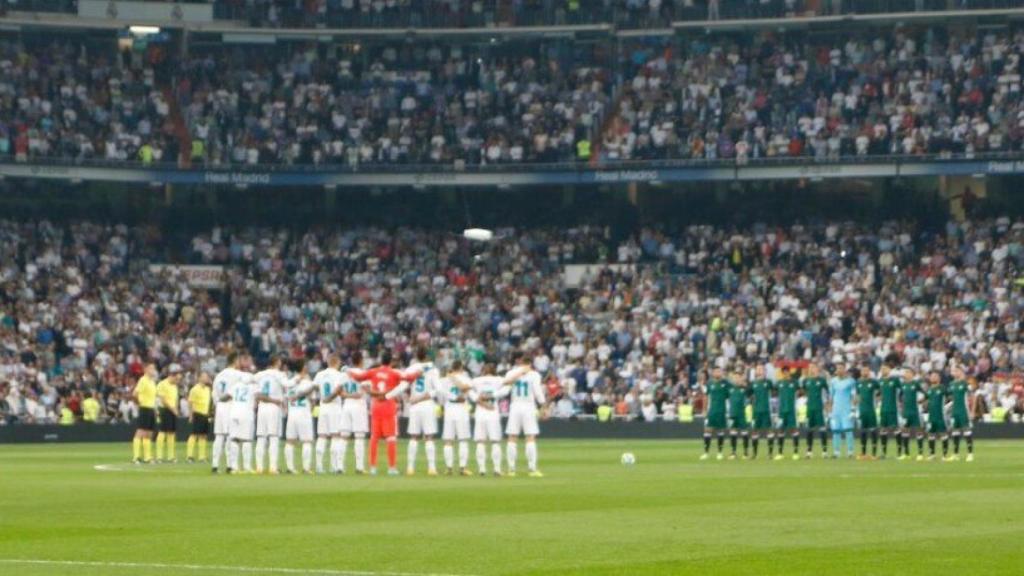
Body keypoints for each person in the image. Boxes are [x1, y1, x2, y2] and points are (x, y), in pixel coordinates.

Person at [348, 350, 421, 476]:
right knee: (391, 438)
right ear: (391, 361)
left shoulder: (373, 371)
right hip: (389, 406)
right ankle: (392, 468)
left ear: (381, 360)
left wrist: (347, 370)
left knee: (374, 438)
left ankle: (373, 468)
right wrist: (418, 373)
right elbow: (409, 378)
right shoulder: (394, 373)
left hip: (376, 406)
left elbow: (358, 377)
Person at [461, 363, 520, 476]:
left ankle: (482, 469)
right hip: (493, 412)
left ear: (483, 370)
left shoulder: (476, 380)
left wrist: (478, 399)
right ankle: (497, 469)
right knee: (495, 442)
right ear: (494, 370)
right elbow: (507, 389)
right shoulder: (498, 379)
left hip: (480, 412)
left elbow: (466, 389)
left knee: (480, 441)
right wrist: (493, 395)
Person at [505, 353, 546, 477]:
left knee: (512, 437)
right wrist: (543, 406)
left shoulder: (511, 372)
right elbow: (537, 391)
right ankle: (532, 469)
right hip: (528, 406)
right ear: (531, 364)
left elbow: (505, 384)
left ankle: (511, 469)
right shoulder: (534, 375)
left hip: (515, 406)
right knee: (530, 437)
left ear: (520, 362)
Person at [405, 347, 441, 476]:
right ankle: (431, 468)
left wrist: (410, 396)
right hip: (427, 405)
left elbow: (404, 384)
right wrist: (424, 396)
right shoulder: (433, 370)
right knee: (429, 437)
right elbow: (437, 389)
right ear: (427, 356)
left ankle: (410, 468)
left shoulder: (411, 369)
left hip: (414, 405)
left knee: (413, 437)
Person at [211, 352, 249, 473]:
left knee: (219, 436)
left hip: (220, 406)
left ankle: (215, 464)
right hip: (230, 406)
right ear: (235, 361)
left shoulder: (219, 375)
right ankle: (230, 464)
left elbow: (214, 393)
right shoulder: (238, 374)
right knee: (230, 436)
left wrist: (217, 404)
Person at [313, 355, 348, 474]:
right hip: (334, 407)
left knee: (322, 436)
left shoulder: (319, 374)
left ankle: (319, 466)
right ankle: (334, 466)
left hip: (322, 407)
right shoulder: (339, 375)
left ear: (328, 362)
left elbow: (316, 388)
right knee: (335, 436)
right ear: (337, 362)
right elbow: (339, 391)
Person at [254, 356, 288, 474]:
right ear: (277, 362)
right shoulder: (280, 375)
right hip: (274, 407)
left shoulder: (259, 375)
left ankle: (259, 467)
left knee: (261, 437)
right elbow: (287, 385)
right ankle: (273, 467)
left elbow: (256, 392)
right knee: (273, 437)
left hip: (262, 407)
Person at [224, 353, 257, 473]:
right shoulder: (253, 386)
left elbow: (225, 397)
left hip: (234, 413)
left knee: (234, 439)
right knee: (247, 440)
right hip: (246, 414)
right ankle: (247, 467)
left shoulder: (236, 385)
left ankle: (234, 467)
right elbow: (258, 396)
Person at [337, 351, 369, 474]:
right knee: (359, 436)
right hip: (358, 406)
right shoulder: (363, 374)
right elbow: (364, 391)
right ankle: (359, 467)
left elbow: (339, 391)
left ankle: (339, 466)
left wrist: (346, 395)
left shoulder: (345, 373)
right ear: (361, 360)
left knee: (344, 436)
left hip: (346, 405)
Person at [440, 360, 473, 476]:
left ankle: (448, 468)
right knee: (463, 439)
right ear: (461, 367)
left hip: (449, 408)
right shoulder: (465, 378)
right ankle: (463, 468)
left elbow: (441, 394)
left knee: (448, 440)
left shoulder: (444, 379)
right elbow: (468, 389)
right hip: (461, 409)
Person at [284, 361, 316, 474]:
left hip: (292, 414)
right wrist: (311, 410)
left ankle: (290, 468)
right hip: (304, 413)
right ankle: (306, 468)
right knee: (307, 441)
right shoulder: (308, 383)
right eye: (305, 365)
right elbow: (312, 400)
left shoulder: (290, 382)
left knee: (290, 441)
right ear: (303, 368)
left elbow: (287, 398)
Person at [700, 366, 730, 461]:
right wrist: (704, 410)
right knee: (707, 430)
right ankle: (706, 453)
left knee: (720, 431)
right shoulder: (709, 384)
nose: (718, 373)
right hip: (711, 411)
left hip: (722, 411)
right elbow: (706, 397)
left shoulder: (726, 384)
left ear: (721, 373)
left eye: (719, 371)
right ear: (713, 373)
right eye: (716, 371)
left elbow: (730, 396)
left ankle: (720, 453)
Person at [131, 363, 158, 464]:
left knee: (149, 433)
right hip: (144, 408)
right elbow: (135, 394)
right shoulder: (143, 380)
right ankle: (136, 456)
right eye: (151, 368)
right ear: (145, 369)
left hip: (151, 408)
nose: (153, 370)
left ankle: (147, 457)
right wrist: (139, 404)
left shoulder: (152, 382)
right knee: (141, 431)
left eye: (154, 368)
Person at [801, 364, 829, 458]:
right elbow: (804, 391)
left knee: (822, 429)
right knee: (809, 430)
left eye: (813, 368)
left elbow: (827, 392)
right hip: (810, 408)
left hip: (819, 408)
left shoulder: (822, 381)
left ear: (817, 369)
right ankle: (809, 452)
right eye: (810, 368)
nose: (811, 369)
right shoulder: (806, 381)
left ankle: (824, 451)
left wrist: (827, 405)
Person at [828, 363, 856, 459]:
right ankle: (836, 452)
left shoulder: (851, 381)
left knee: (848, 430)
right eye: (837, 368)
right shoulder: (833, 381)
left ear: (845, 370)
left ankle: (850, 452)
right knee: (836, 431)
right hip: (836, 410)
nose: (838, 370)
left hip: (846, 410)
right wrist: (829, 412)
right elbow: (831, 397)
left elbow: (853, 396)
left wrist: (853, 409)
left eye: (841, 368)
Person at [155, 365, 182, 463]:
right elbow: (163, 399)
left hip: (173, 410)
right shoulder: (162, 384)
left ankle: (170, 456)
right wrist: (173, 409)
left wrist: (176, 408)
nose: (178, 381)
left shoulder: (174, 386)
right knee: (162, 432)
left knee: (171, 433)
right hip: (165, 410)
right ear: (172, 376)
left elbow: (175, 399)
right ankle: (159, 456)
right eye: (177, 378)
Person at [948, 367, 975, 462]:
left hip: (964, 410)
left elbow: (972, 397)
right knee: (955, 432)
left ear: (962, 372)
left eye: (957, 370)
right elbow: (954, 399)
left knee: (966, 431)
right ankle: (955, 454)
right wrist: (948, 407)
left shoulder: (965, 383)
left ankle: (970, 454)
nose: (955, 372)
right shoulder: (952, 384)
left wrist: (972, 411)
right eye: (954, 371)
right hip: (955, 411)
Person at [899, 367, 925, 462]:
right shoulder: (903, 385)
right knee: (905, 431)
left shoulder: (916, 384)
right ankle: (906, 454)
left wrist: (921, 401)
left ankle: (920, 454)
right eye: (905, 372)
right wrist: (902, 404)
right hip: (906, 411)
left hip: (915, 411)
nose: (906, 374)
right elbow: (900, 396)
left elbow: (924, 394)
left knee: (918, 430)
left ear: (912, 374)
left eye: (908, 372)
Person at [774, 368, 801, 460]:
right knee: (781, 431)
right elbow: (776, 393)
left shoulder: (794, 383)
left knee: (794, 430)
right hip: (782, 411)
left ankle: (796, 452)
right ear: (782, 373)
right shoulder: (779, 383)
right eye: (784, 372)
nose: (785, 374)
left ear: (789, 373)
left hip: (791, 410)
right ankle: (780, 453)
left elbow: (799, 392)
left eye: (787, 372)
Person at [854, 366, 880, 460]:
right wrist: (855, 402)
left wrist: (878, 398)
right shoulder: (858, 383)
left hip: (871, 410)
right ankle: (863, 453)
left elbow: (880, 391)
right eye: (863, 370)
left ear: (869, 372)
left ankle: (873, 454)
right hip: (862, 410)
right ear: (861, 372)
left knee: (873, 431)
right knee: (863, 432)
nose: (864, 372)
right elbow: (857, 395)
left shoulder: (873, 382)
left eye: (866, 370)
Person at [749, 365, 774, 460]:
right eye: (758, 369)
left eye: (761, 369)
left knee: (769, 430)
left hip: (766, 410)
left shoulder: (768, 382)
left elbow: (774, 391)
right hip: (756, 410)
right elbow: (749, 394)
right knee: (754, 431)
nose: (759, 371)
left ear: (764, 371)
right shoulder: (752, 383)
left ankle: (770, 453)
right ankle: (755, 454)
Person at [186, 373, 212, 463]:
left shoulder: (208, 389)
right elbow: (190, 402)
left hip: (205, 414)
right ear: (199, 378)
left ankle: (202, 456)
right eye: (204, 377)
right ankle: (190, 456)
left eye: (207, 377)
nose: (206, 378)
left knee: (203, 436)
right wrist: (191, 415)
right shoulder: (195, 389)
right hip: (197, 413)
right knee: (194, 434)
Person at [924, 371, 949, 461]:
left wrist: (947, 407)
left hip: (941, 416)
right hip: (931, 416)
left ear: (939, 378)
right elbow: (926, 400)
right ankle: (932, 454)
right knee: (931, 435)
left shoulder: (942, 388)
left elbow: (951, 398)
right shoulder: (929, 390)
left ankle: (944, 455)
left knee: (943, 434)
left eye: (935, 376)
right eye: (931, 376)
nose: (933, 377)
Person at [878, 364, 901, 459]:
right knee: (883, 429)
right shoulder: (880, 381)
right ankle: (884, 453)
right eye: (881, 369)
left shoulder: (895, 380)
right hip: (883, 409)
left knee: (895, 429)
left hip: (893, 408)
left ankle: (899, 452)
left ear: (889, 369)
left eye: (885, 368)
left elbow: (902, 390)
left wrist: (900, 401)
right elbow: (878, 393)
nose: (883, 370)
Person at [726, 370, 750, 460]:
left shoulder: (744, 389)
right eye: (734, 377)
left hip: (742, 414)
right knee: (733, 433)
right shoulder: (730, 389)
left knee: (744, 433)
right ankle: (733, 452)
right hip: (732, 413)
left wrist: (744, 383)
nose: (736, 379)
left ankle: (746, 453)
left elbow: (751, 393)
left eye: (738, 377)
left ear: (741, 378)